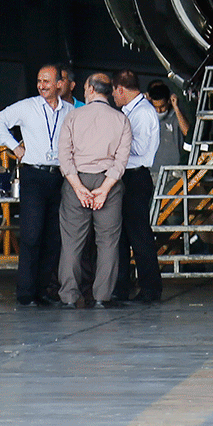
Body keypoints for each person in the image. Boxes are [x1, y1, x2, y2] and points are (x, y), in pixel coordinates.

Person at [0, 64, 74, 307]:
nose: (41, 85)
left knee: (53, 237)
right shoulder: (27, 106)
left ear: (60, 84)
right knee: (31, 235)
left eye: (47, 81)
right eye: (39, 81)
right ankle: (26, 293)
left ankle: (43, 290)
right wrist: (15, 147)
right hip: (34, 175)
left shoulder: (70, 111)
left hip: (59, 176)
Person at [56, 72, 133, 309]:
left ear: (90, 89)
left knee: (71, 243)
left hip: (76, 181)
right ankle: (102, 296)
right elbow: (121, 160)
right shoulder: (121, 120)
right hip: (108, 183)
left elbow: (64, 156)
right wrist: (105, 188)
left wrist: (78, 187)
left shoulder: (72, 117)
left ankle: (69, 296)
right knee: (108, 242)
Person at [112, 70, 163, 303]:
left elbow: (140, 148)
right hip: (127, 176)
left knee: (139, 235)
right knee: (122, 235)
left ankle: (150, 288)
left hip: (135, 176)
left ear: (121, 89)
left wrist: (112, 145)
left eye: (114, 92)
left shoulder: (141, 113)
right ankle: (121, 286)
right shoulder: (130, 111)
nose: (113, 96)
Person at [147, 80, 187, 185]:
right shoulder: (148, 116)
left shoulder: (176, 116)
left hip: (174, 173)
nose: (159, 111)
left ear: (168, 101)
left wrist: (176, 108)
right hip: (153, 172)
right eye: (156, 107)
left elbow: (187, 132)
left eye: (162, 107)